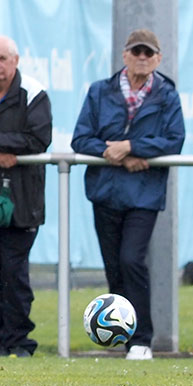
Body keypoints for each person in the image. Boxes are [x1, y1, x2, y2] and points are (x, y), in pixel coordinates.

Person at [71, 29, 185, 360]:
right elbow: (81, 139)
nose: (142, 57)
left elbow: (174, 140)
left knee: (131, 260)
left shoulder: (168, 96)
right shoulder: (98, 92)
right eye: (136, 51)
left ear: (158, 59)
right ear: (124, 55)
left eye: (148, 53)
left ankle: (142, 339)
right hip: (106, 190)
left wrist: (132, 148)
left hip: (143, 195)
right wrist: (113, 152)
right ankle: (121, 337)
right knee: (114, 267)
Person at [0, 36, 52, 358]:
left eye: (2, 59)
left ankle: (18, 342)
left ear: (16, 60)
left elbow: (37, 138)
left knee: (12, 274)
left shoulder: (33, 92)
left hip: (21, 202)